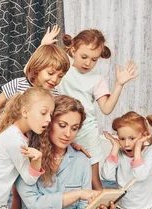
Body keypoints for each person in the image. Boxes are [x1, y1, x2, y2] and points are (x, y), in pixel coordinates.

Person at [57, 29, 139, 190]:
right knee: (62, 174)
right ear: (73, 50)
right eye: (84, 57)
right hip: (61, 131)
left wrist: (119, 84)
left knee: (94, 179)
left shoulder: (97, 79)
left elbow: (106, 109)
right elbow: (38, 72)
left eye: (94, 60)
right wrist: (44, 46)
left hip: (87, 133)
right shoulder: (62, 71)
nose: (88, 63)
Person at [0, 44, 70, 147]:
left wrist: (71, 146)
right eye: (50, 73)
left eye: (60, 76)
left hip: (28, 146)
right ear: (37, 69)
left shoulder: (54, 95)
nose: (55, 80)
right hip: (2, 140)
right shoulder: (17, 85)